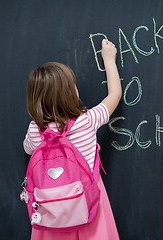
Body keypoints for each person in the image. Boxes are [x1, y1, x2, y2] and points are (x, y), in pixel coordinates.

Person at [23, 39, 121, 240]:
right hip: (88, 206)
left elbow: (27, 149)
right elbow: (114, 95)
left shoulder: (35, 129)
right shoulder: (86, 121)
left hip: (51, 213)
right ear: (69, 94)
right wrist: (109, 59)